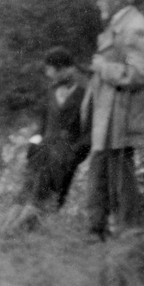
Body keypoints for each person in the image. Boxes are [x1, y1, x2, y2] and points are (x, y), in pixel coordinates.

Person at [83, 0, 144, 239]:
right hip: (110, 116)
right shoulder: (118, 24)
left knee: (119, 175)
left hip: (121, 116)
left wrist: (104, 68)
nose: (99, 2)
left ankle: (127, 232)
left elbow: (141, 73)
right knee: (103, 171)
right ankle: (97, 231)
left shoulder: (135, 26)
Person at [20, 46, 90, 210]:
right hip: (42, 152)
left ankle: (42, 229)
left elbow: (90, 131)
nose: (47, 74)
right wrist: (33, 144)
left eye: (50, 69)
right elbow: (42, 124)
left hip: (65, 155)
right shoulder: (51, 91)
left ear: (62, 69)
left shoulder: (86, 93)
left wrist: (74, 153)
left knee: (53, 200)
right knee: (26, 194)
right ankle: (15, 230)